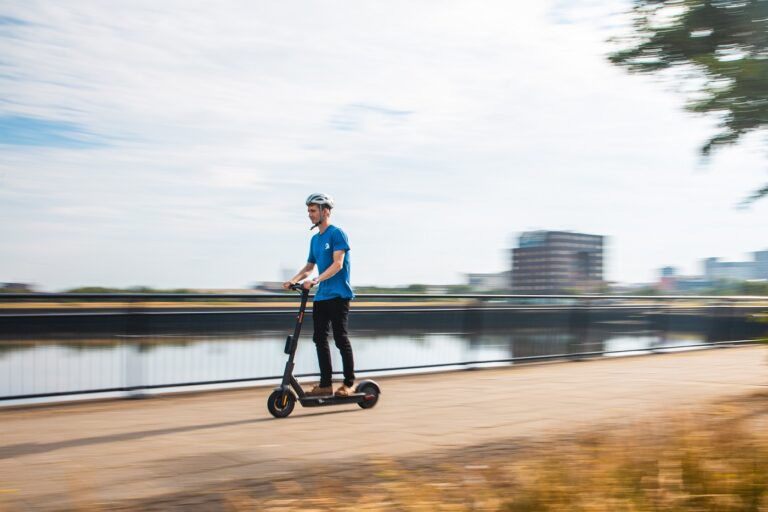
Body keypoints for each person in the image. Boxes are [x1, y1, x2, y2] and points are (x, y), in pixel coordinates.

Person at [283, 193, 356, 397]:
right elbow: (309, 267)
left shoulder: (337, 234)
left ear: (326, 211)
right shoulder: (315, 240)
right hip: (322, 297)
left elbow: (338, 264)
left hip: (339, 295)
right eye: (308, 211)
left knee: (340, 338)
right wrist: (294, 280)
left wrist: (316, 280)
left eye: (313, 210)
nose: (310, 214)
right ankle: (325, 384)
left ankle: (349, 384)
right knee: (319, 339)